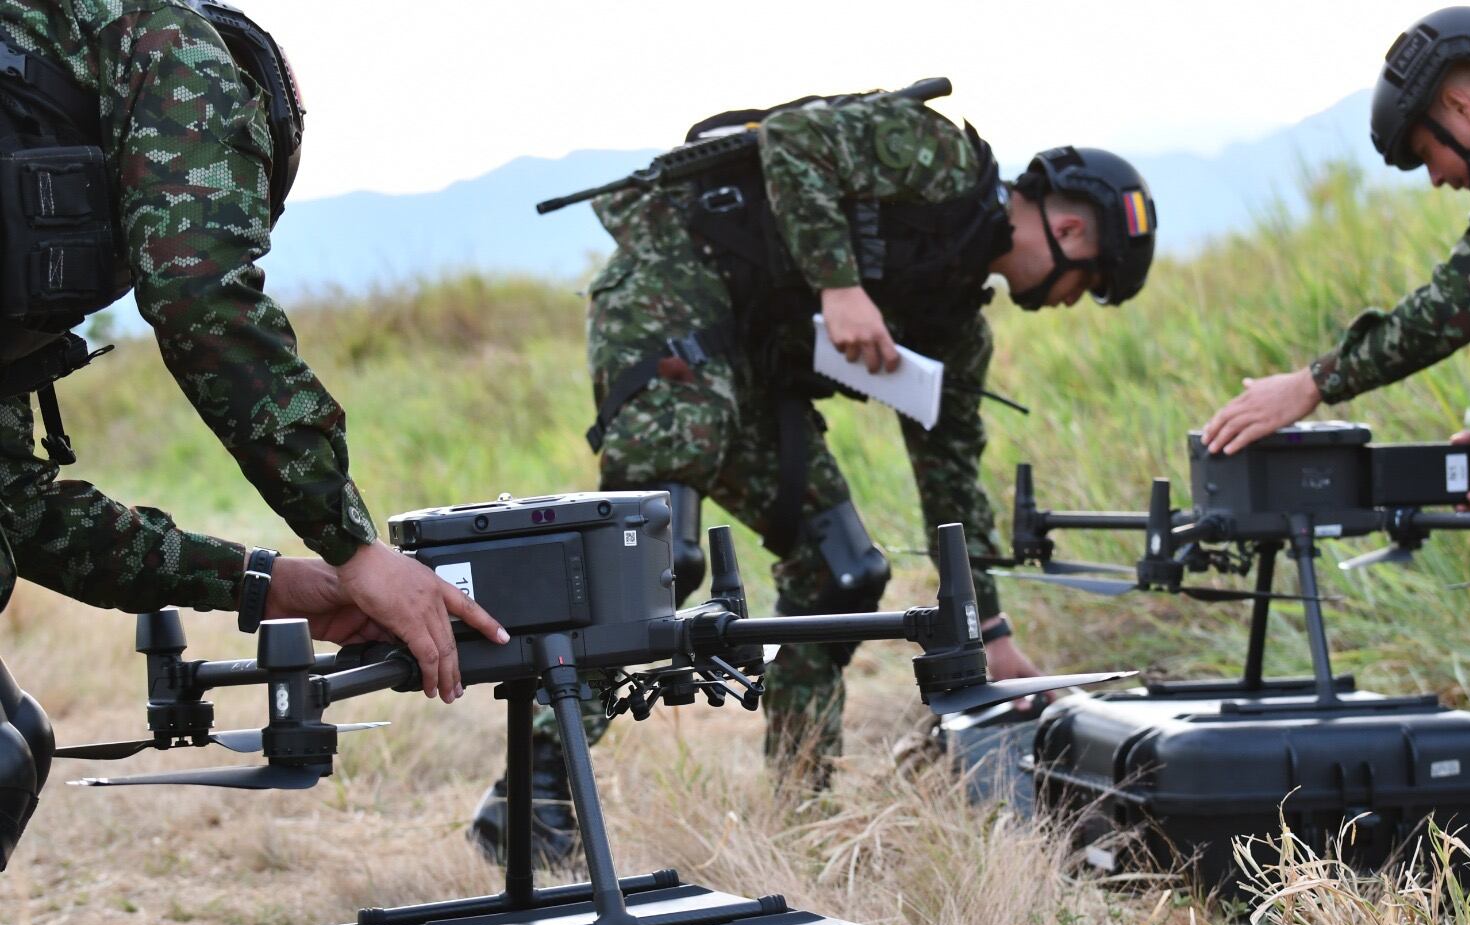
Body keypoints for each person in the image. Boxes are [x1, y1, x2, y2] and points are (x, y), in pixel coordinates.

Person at [471, 84, 1158, 864]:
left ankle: (801, 810)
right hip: (674, 285)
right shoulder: (942, 160)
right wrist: (840, 284)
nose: (1069, 302)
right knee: (661, 543)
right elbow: (796, 137)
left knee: (843, 571)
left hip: (755, 368)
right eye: (1086, 284)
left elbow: (951, 480)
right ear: (1069, 231)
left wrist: (987, 631)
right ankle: (536, 791)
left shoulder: (955, 327)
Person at [0, 0, 507, 867]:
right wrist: (353, 546)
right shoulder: (167, 43)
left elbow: (27, 516)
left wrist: (271, 585)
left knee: (17, 738)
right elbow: (203, 300)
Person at [1200, 6, 1470, 853]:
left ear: (1457, 110)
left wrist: (1315, 382)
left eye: (1427, 156)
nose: (1441, 180)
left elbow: (1467, 295)